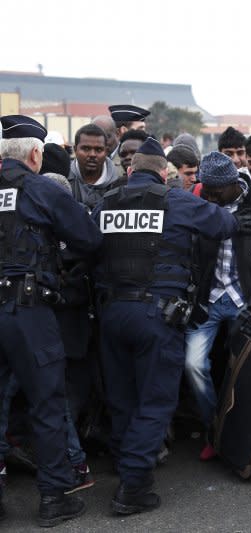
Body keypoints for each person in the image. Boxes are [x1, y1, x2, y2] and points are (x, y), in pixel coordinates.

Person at [92, 138, 237, 515]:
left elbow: (85, 245)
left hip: (112, 315)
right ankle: (133, 488)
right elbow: (224, 224)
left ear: (129, 170)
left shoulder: (106, 203)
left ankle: (127, 467)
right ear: (163, 172)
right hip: (156, 317)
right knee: (155, 401)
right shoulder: (175, 199)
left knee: (122, 398)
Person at [0, 115, 103, 526]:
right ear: (36, 154)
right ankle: (54, 496)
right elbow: (89, 239)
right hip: (27, 310)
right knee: (47, 401)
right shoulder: (40, 188)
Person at [185, 152, 251, 460]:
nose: (209, 196)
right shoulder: (200, 201)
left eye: (215, 192)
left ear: (233, 184)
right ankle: (216, 428)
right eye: (206, 190)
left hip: (245, 299)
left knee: (246, 373)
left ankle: (245, 435)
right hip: (208, 299)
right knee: (193, 364)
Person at [67, 124, 120, 209]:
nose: (92, 154)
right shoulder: (63, 180)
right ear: (75, 149)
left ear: (106, 151)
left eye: (98, 150)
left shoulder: (119, 183)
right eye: (86, 149)